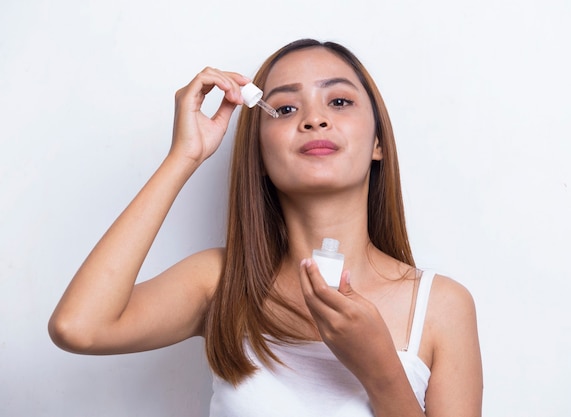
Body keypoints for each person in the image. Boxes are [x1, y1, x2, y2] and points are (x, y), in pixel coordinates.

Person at [49, 38, 483, 417]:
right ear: (257, 151)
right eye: (287, 107)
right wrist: (184, 156)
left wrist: (382, 371)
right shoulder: (221, 282)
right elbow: (79, 327)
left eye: (338, 102)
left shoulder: (442, 306)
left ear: (378, 143)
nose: (314, 119)